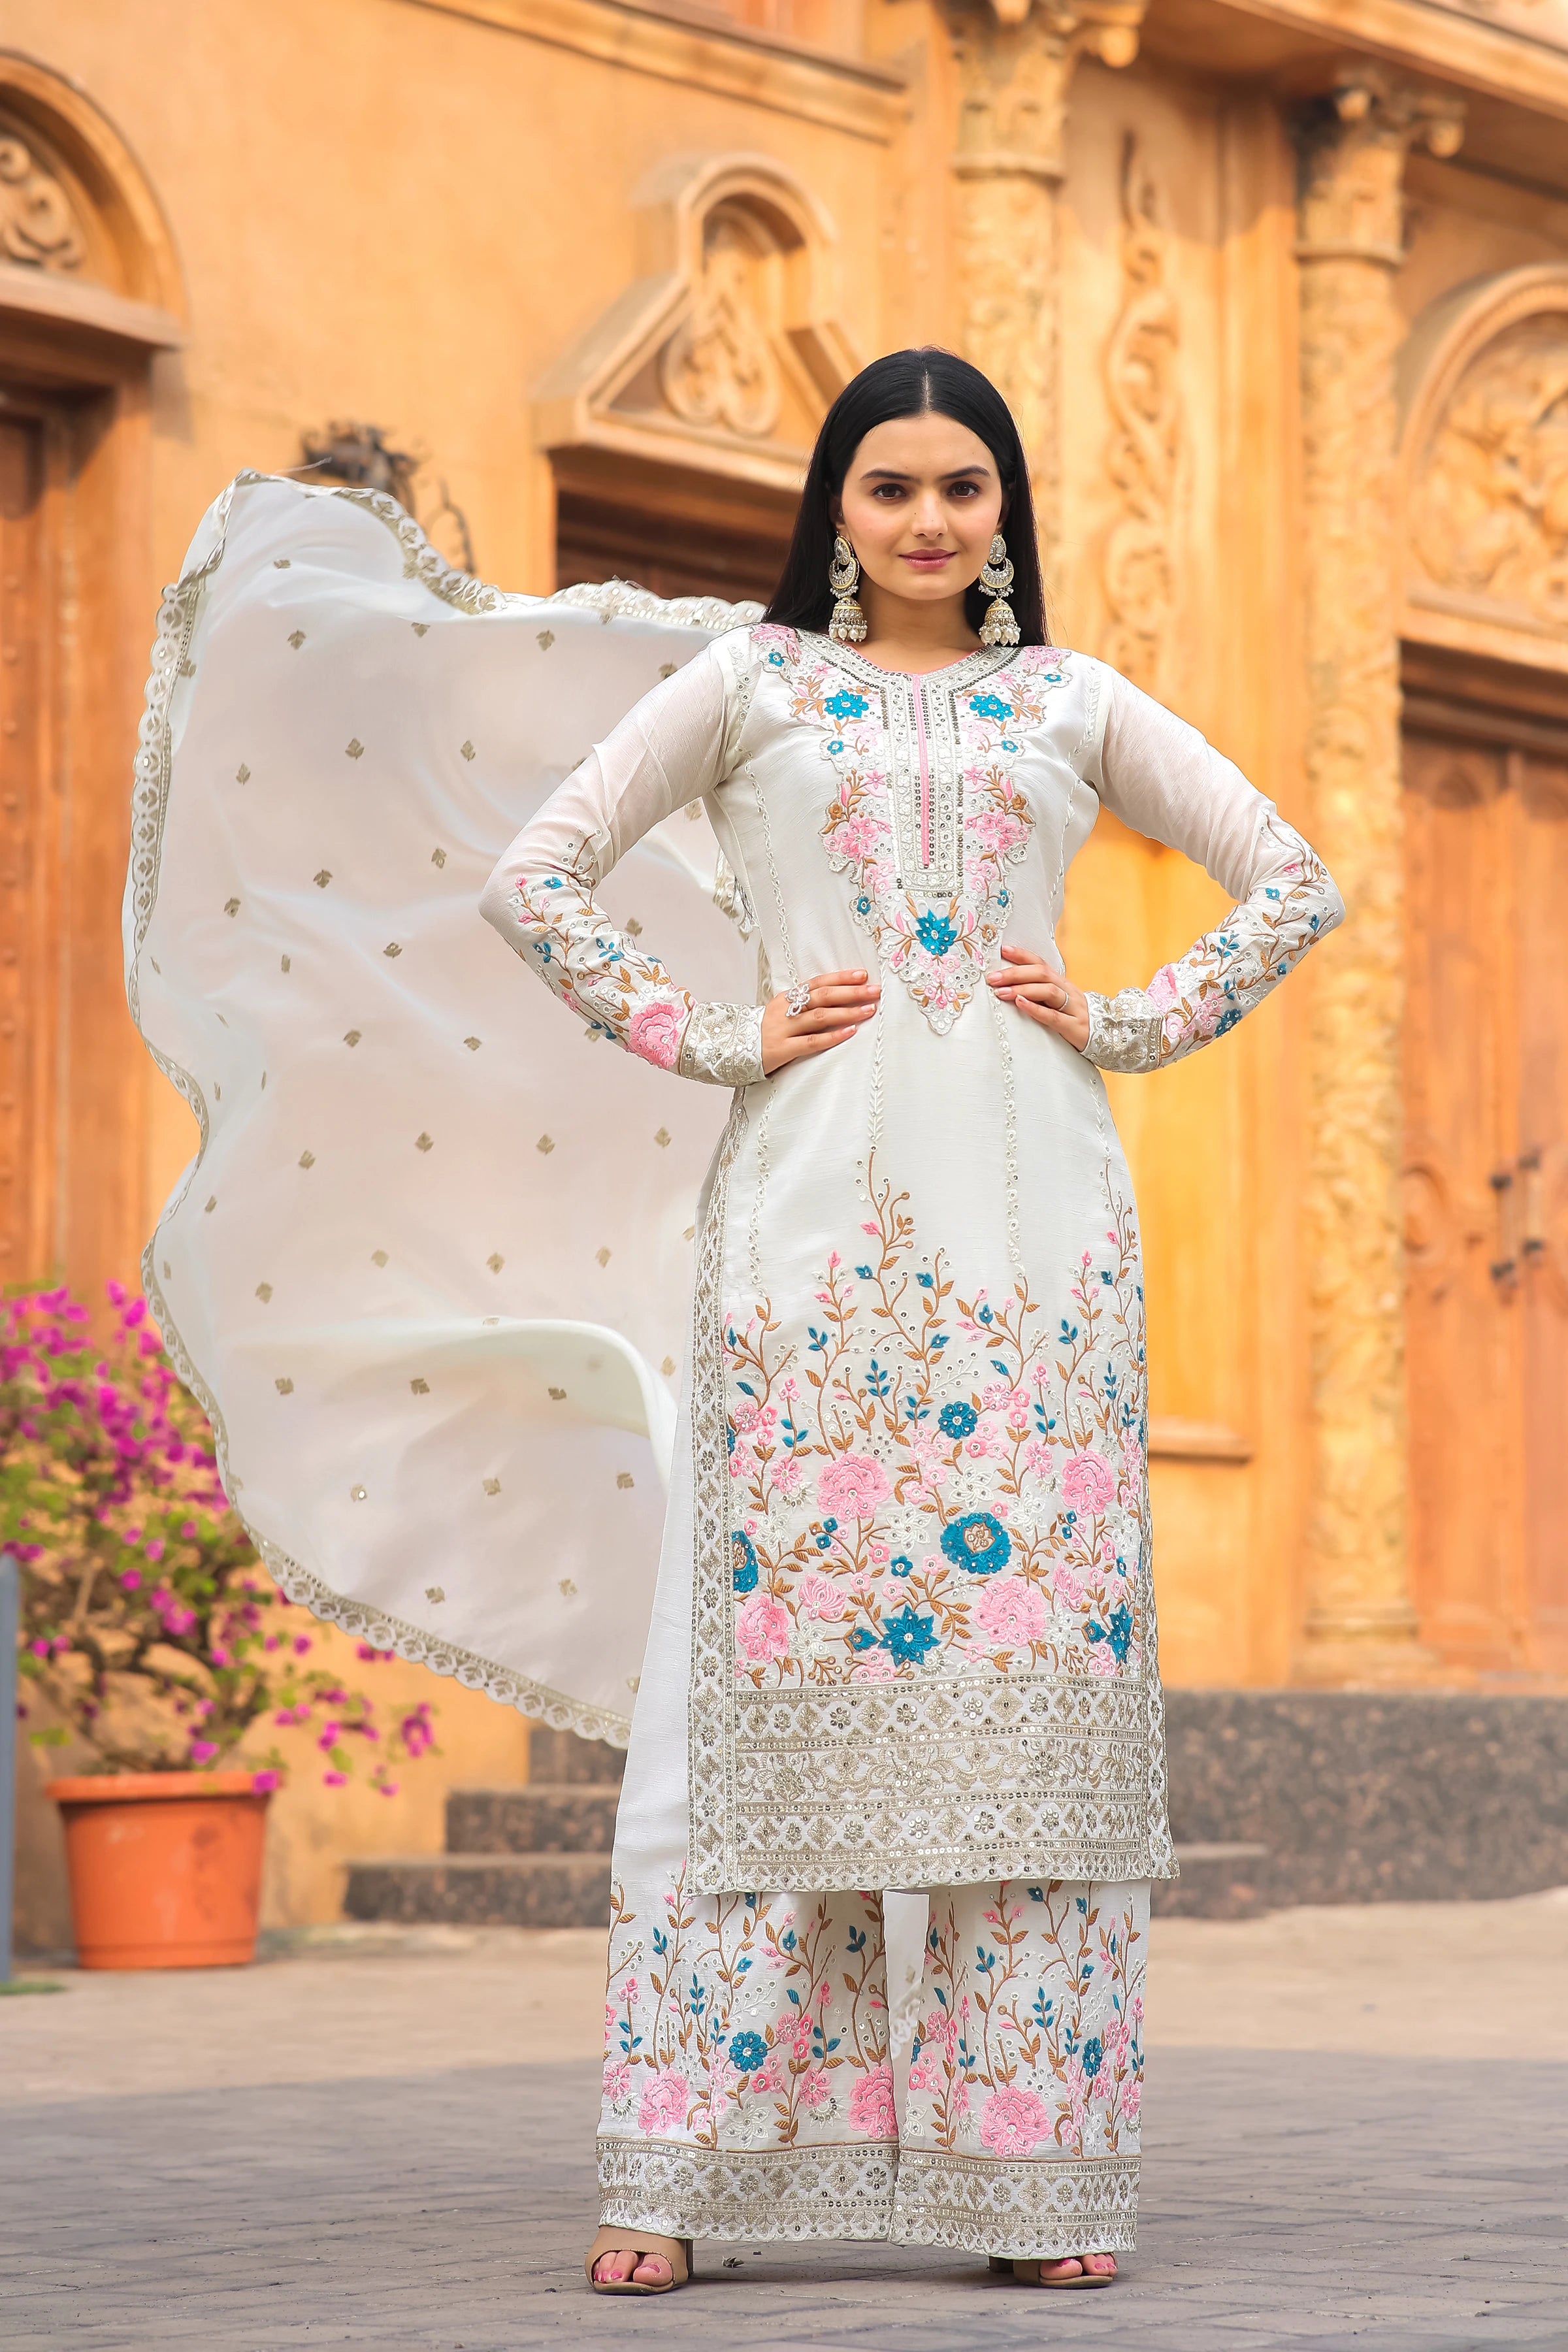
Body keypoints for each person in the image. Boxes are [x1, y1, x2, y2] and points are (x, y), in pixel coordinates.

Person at [474, 347, 1344, 2294]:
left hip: (1041, 1270)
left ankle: (1027, 2180)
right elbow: (534, 877)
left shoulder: (1075, 703)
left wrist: (1124, 1018)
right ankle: (685, 2173)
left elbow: (1292, 882)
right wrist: (706, 1031)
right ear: (837, 510)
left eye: (966, 487)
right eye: (892, 488)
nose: (932, 519)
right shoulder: (755, 685)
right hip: (805, 1253)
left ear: (1007, 512)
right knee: (763, 1702)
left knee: (1028, 1706)